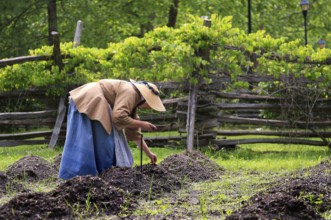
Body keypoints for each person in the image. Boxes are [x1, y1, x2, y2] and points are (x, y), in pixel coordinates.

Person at [58, 79, 166, 180]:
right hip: (90, 99)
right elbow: (118, 117)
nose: (149, 107)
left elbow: (135, 133)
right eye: (151, 103)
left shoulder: (133, 101)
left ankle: (96, 176)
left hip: (93, 100)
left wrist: (149, 153)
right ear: (146, 99)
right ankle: (81, 176)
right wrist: (142, 124)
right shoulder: (131, 92)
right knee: (101, 142)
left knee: (102, 141)